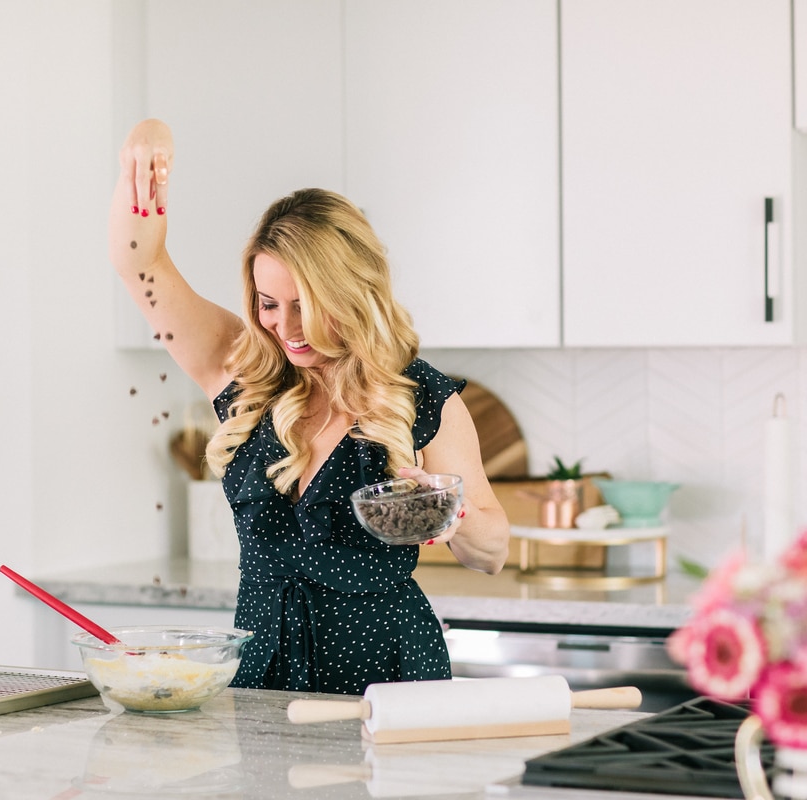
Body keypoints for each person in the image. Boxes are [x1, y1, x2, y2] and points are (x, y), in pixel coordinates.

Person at [108, 119, 511, 695]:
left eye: (307, 306)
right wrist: (144, 153)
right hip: (261, 672)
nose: (287, 329)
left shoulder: (421, 397)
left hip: (388, 679)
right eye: (269, 304)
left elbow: (492, 553)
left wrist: (446, 511)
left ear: (354, 293)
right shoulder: (240, 367)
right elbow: (139, 264)